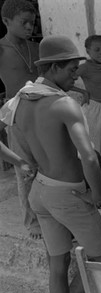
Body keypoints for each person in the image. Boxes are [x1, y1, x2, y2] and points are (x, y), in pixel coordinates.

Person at [12, 35, 101, 293]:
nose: (75, 76)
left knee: (57, 263)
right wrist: (98, 198)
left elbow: (21, 149)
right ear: (54, 67)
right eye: (71, 69)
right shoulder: (63, 104)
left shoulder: (20, 102)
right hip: (66, 193)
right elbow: (89, 158)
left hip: (40, 190)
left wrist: (27, 165)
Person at [0, 0, 41, 239]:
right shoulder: (1, 50)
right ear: (6, 21)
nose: (29, 27)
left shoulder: (36, 48)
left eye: (32, 22)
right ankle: (32, 220)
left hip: (40, 113)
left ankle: (49, 212)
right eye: (23, 22)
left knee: (47, 166)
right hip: (15, 116)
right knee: (24, 169)